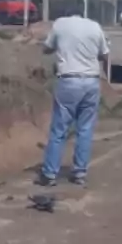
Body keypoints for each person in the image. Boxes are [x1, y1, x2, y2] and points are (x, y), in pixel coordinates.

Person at [36, 13, 110, 186]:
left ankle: (50, 174)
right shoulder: (95, 26)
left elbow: (47, 48)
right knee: (85, 129)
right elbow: (105, 55)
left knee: (59, 129)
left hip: (69, 81)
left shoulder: (60, 24)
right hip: (91, 82)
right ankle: (79, 173)